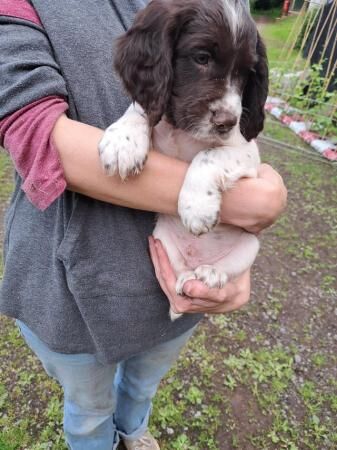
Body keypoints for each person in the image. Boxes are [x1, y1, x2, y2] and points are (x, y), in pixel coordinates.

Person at [0, 1, 287, 449]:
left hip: (174, 292)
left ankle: (133, 431)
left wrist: (250, 217)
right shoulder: (22, 8)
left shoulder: (200, 10)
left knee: (142, 385)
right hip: (70, 297)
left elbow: (241, 146)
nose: (228, 103)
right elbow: (39, 136)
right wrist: (252, 201)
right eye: (202, 59)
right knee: (89, 409)